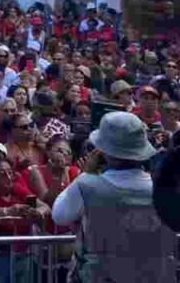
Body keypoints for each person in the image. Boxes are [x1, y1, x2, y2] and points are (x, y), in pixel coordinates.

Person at [52, 111, 174, 282]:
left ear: (104, 151)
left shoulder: (87, 185)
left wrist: (85, 173)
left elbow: (59, 215)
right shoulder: (162, 189)